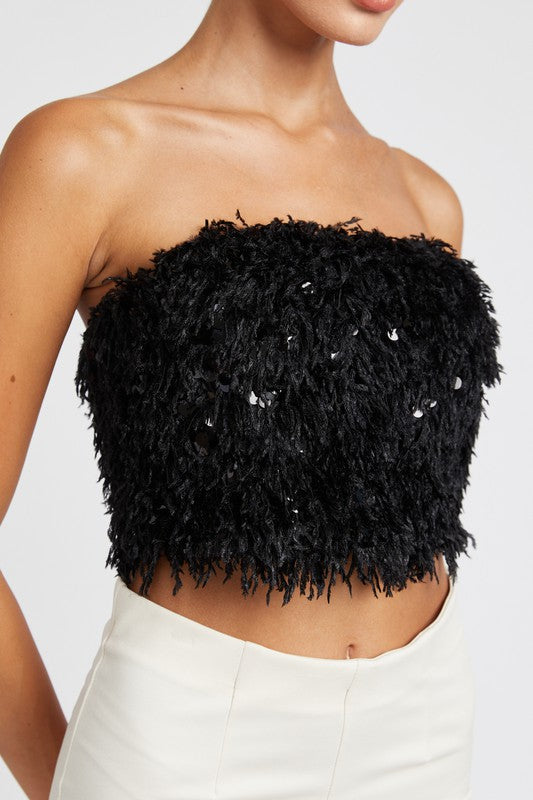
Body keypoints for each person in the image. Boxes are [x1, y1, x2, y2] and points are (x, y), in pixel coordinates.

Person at [0, 1, 503, 798]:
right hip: (188, 743)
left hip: (423, 731)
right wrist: (64, 781)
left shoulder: (424, 202)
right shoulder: (85, 153)